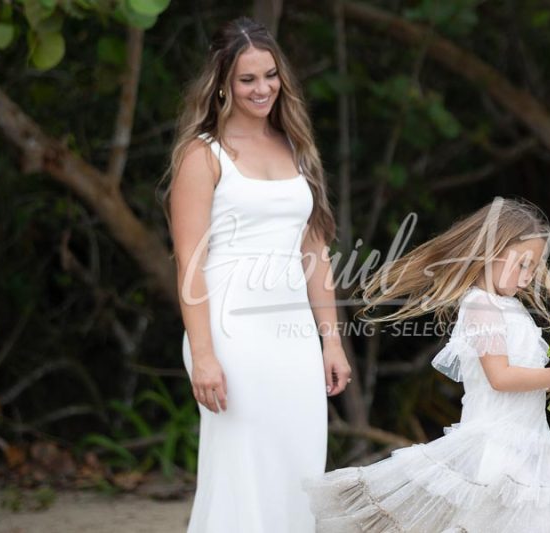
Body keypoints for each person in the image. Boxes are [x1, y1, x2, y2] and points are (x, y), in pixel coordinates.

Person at [302, 197, 550, 532]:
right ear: (492, 252)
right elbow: (500, 377)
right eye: (521, 264)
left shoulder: (512, 307)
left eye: (533, 268)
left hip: (530, 444)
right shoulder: (482, 306)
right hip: (494, 447)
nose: (527, 277)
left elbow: (529, 381)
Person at [159, 16, 351, 532]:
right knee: (243, 467)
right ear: (223, 83)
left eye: (270, 75)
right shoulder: (203, 155)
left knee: (300, 460)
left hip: (291, 331)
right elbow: (190, 263)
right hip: (230, 331)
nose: (262, 88)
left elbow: (316, 253)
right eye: (247, 79)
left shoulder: (296, 147)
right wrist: (203, 355)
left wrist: (331, 341)